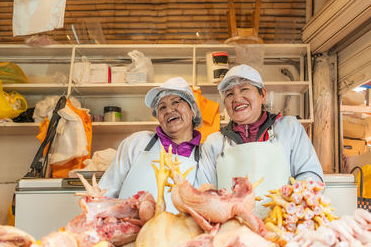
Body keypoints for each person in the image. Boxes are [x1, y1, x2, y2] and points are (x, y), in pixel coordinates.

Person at [198, 64, 324, 218]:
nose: (237, 98)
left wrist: (291, 209)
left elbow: (310, 176)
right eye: (229, 94)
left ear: (262, 94)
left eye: (244, 89)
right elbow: (206, 193)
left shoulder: (289, 129)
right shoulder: (214, 143)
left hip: (282, 227)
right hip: (232, 231)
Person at [98, 77, 202, 214]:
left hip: (179, 233)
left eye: (176, 102)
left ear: (193, 109)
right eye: (162, 107)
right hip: (128, 229)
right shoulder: (137, 143)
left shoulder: (204, 156)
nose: (169, 110)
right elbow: (105, 193)